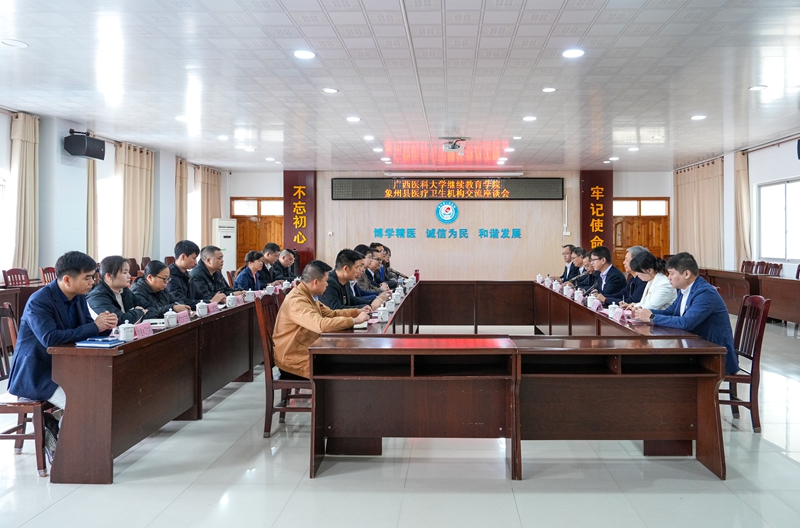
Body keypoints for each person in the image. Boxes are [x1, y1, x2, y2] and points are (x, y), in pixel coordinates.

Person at [8, 251, 118, 460]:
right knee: (81, 403)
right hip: (38, 374)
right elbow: (50, 338)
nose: (93, 282)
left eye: (93, 277)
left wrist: (105, 325)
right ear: (67, 279)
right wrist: (95, 326)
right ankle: (65, 452)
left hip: (65, 369)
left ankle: (57, 426)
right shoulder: (39, 301)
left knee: (99, 395)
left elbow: (86, 327)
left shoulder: (78, 297)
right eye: (88, 278)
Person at [633, 252, 739, 375]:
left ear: (686, 274)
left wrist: (652, 317)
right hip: (695, 348)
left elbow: (686, 323)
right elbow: (670, 312)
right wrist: (645, 312)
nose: (668, 277)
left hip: (714, 354)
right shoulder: (685, 290)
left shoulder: (705, 293)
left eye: (672, 273)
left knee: (658, 364)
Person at [271, 260, 370, 379]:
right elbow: (320, 325)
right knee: (347, 365)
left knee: (349, 361)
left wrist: (356, 312)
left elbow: (331, 314)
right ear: (316, 282)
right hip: (294, 359)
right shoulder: (297, 301)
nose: (327, 284)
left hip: (308, 349)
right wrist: (354, 321)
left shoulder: (309, 295)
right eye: (326, 281)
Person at [87, 256, 148, 323]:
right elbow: (119, 320)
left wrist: (133, 314)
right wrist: (140, 311)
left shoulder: (124, 290)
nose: (129, 276)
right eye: (125, 273)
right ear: (109, 276)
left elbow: (147, 306)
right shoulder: (97, 297)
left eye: (128, 272)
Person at [319, 249, 384, 311]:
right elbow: (336, 309)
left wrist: (371, 302)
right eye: (357, 267)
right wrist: (370, 306)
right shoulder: (328, 283)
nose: (360, 270)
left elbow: (351, 300)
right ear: (346, 269)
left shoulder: (345, 280)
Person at [168, 240, 225, 308]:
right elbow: (181, 302)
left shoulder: (187, 275)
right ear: (183, 257)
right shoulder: (169, 277)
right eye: (194, 258)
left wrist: (217, 299)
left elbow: (200, 296)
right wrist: (210, 302)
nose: (196, 262)